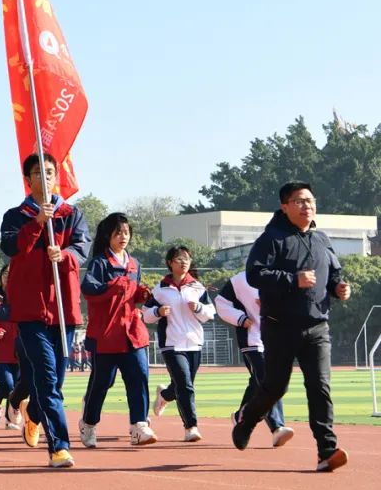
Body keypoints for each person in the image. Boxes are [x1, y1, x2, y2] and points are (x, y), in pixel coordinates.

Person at [231, 182, 350, 472]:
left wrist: (339, 287)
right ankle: (247, 419)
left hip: (317, 326)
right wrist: (292, 279)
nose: (306, 205)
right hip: (280, 326)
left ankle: (326, 450)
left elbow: (334, 272)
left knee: (320, 387)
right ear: (285, 206)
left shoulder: (322, 239)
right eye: (299, 201)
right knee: (275, 387)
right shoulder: (272, 238)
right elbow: (254, 274)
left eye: (310, 200)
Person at [0, 153, 89, 468]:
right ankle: (59, 447)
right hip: (30, 309)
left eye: (50, 172)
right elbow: (12, 247)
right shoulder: (15, 216)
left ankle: (33, 413)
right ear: (29, 179)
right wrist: (37, 224)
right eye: (39, 172)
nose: (46, 177)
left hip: (63, 307)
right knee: (48, 379)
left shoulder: (71, 214)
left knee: (56, 380)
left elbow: (82, 249)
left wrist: (63, 255)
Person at [77, 213, 156, 448]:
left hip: (132, 331)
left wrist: (142, 293)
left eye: (126, 232)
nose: (123, 237)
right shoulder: (100, 263)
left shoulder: (134, 264)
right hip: (107, 334)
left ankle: (139, 425)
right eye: (118, 232)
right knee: (102, 382)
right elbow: (89, 289)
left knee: (139, 377)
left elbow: (133, 293)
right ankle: (88, 424)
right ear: (108, 236)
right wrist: (114, 286)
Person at [142, 245, 215, 442]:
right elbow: (146, 315)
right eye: (179, 259)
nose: (183, 263)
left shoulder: (197, 288)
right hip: (171, 343)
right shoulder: (160, 289)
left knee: (185, 384)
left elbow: (210, 313)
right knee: (185, 385)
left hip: (194, 342)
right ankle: (191, 426)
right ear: (169, 263)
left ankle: (165, 394)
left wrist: (199, 307)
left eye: (186, 259)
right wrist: (158, 312)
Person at [215, 271, 295, 447]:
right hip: (252, 339)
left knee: (258, 383)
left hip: (276, 338)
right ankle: (277, 427)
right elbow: (221, 303)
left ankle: (241, 416)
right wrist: (240, 318)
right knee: (268, 379)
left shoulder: (284, 276)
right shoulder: (239, 280)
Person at [0, 266, 21, 430]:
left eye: (11, 274)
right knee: (8, 384)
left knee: (15, 385)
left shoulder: (21, 296)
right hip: (0, 349)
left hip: (18, 348)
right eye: (5, 274)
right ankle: (8, 415)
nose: (8, 277)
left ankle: (5, 412)